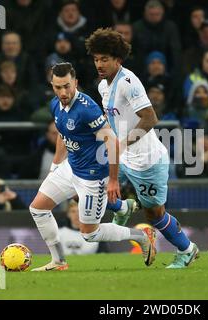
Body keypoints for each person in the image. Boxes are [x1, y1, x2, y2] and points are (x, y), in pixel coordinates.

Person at [85, 28, 199, 269]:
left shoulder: (128, 82)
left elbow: (150, 118)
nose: (99, 64)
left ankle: (187, 249)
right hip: (124, 157)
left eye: (104, 59)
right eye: (96, 59)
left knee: (154, 216)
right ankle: (123, 207)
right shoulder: (103, 87)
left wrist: (122, 143)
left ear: (118, 59)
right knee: (92, 183)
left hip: (147, 162)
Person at [28, 62, 156, 271]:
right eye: (58, 87)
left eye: (67, 86)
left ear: (75, 83)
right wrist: (54, 167)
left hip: (93, 176)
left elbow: (112, 142)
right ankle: (59, 260)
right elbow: (63, 134)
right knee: (38, 208)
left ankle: (141, 236)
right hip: (71, 167)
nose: (63, 92)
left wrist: (113, 180)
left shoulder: (87, 109)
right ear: (52, 86)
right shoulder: (55, 105)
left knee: (90, 234)